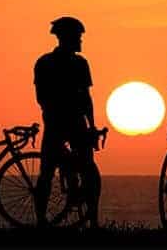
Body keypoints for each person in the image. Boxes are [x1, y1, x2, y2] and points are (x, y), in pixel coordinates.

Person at [33, 16, 102, 227]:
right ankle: (93, 221)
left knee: (48, 172)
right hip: (69, 122)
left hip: (56, 122)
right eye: (78, 37)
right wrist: (91, 124)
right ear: (69, 38)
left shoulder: (44, 62)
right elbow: (86, 98)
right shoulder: (79, 63)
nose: (81, 41)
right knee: (88, 171)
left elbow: (41, 97)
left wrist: (90, 124)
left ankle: (42, 222)